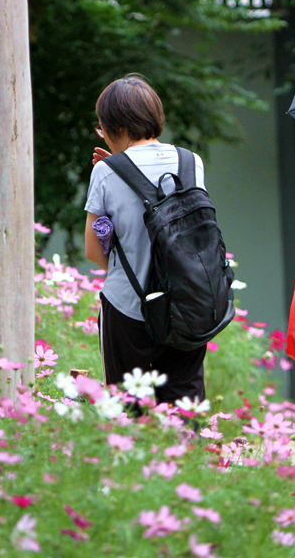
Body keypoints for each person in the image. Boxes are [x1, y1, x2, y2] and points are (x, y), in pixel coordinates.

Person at [84, 74, 207, 406]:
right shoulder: (190, 161)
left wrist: (112, 173)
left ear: (115, 126)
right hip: (188, 301)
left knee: (128, 409)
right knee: (185, 407)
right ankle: (190, 458)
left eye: (101, 128)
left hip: (128, 307)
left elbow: (94, 252)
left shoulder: (105, 172)